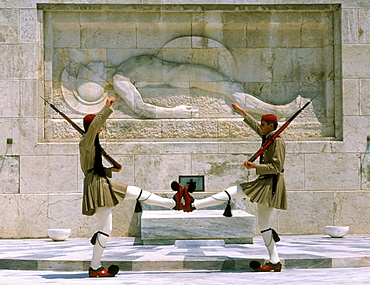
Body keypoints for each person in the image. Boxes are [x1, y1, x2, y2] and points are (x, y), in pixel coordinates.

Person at [79, 96, 182, 277]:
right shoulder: (86, 141)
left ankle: (172, 204)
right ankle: (95, 267)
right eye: (97, 124)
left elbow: (94, 167)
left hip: (102, 182)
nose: (101, 127)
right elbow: (95, 127)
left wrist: (111, 169)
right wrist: (106, 108)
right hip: (97, 186)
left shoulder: (91, 142)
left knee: (134, 191)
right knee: (106, 229)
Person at [185, 102, 287, 272]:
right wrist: (241, 112)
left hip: (271, 184)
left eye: (263, 125)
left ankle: (194, 204)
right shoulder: (268, 137)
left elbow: (277, 167)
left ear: (271, 126)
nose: (260, 127)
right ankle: (275, 261)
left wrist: (255, 167)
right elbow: (255, 125)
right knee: (263, 224)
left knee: (236, 193)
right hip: (264, 182)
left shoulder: (278, 142)